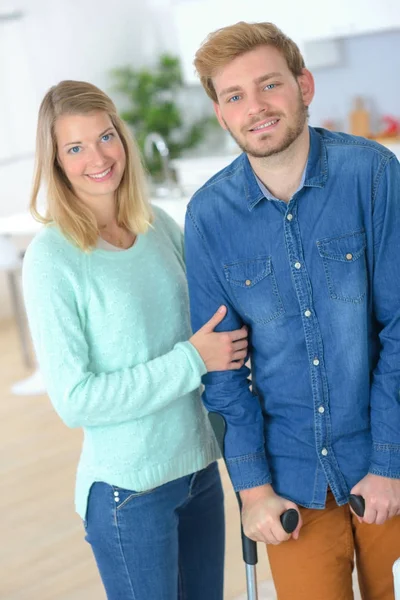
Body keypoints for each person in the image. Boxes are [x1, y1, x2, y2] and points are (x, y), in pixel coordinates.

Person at [184, 21, 400, 600]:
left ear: (303, 85)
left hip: (388, 458)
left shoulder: (373, 175)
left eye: (269, 85)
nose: (255, 108)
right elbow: (223, 372)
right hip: (290, 483)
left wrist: (389, 460)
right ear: (220, 113)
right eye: (235, 96)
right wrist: (253, 489)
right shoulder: (209, 217)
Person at [22, 80, 249, 600]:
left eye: (106, 137)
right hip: (130, 492)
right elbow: (75, 399)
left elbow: (216, 313)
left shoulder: (156, 226)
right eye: (74, 148)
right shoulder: (52, 260)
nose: (98, 157)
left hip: (198, 470)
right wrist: (191, 359)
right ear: (55, 162)